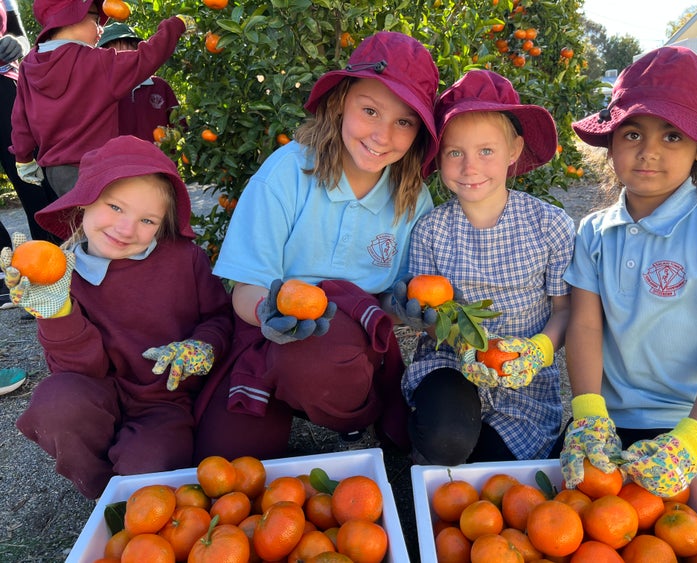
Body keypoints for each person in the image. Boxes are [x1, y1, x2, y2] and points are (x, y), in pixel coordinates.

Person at [193, 31, 440, 461]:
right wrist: (268, 315)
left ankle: (351, 413)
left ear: (419, 132)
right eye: (370, 110)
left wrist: (401, 308)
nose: (382, 135)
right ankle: (284, 393)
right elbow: (246, 289)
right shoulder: (287, 174)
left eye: (404, 121)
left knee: (321, 365)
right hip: (266, 330)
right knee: (226, 463)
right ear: (340, 101)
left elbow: (389, 295)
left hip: (344, 346)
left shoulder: (412, 198)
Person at [559, 46, 697, 517]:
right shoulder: (593, 231)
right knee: (579, 528)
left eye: (671, 136)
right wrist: (587, 411)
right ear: (610, 142)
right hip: (614, 422)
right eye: (632, 133)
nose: (648, 151)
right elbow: (585, 327)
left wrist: (691, 440)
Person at [1, 135, 234, 499]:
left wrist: (202, 346)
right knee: (56, 404)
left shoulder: (185, 259)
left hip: (164, 401)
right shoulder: (61, 274)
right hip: (98, 394)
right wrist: (58, 311)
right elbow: (77, 374)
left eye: (147, 219)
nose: (126, 229)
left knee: (148, 474)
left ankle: (133, 493)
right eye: (115, 207)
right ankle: (102, 491)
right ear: (84, 202)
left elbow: (219, 317)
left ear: (162, 225)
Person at [400, 69, 575, 466]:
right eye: (455, 152)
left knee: (491, 468)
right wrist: (447, 335)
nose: (470, 167)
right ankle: (420, 427)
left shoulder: (550, 225)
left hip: (522, 375)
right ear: (440, 156)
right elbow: (431, 314)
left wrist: (538, 349)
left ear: (514, 150)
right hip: (452, 362)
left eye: (486, 151)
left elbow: (565, 309)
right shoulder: (431, 230)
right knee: (446, 443)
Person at [10, 0, 195, 197]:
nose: (100, 29)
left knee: (82, 223)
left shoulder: (29, 64)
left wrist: (23, 158)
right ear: (72, 18)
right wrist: (175, 25)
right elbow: (146, 57)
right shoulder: (97, 61)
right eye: (96, 20)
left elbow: (21, 118)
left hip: (57, 173)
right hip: (96, 169)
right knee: (107, 223)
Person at [1, 0, 59, 243]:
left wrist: (17, 44)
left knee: (32, 178)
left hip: (4, 88)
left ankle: (58, 258)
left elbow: (22, 38)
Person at [97, 22, 182, 142]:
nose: (124, 59)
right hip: (117, 159)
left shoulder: (159, 87)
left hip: (156, 158)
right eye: (116, 54)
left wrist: (171, 138)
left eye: (128, 50)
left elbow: (180, 126)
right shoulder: (102, 90)